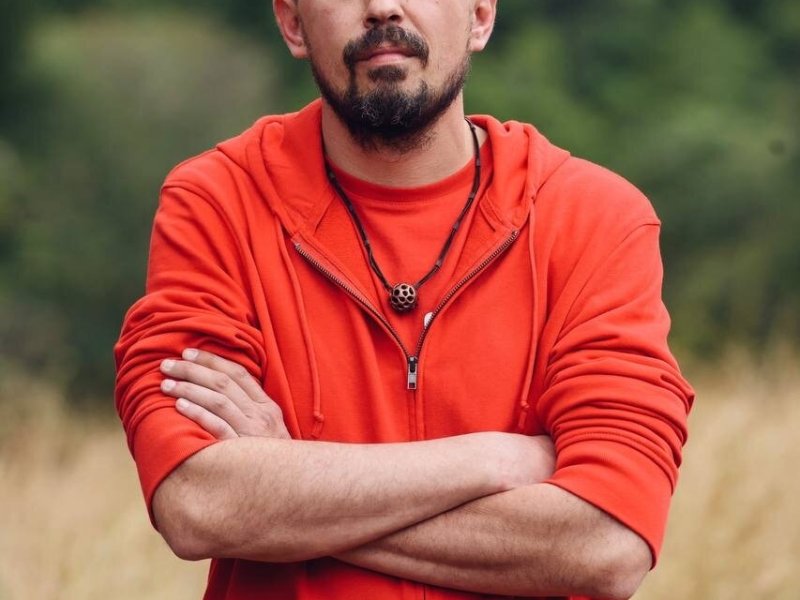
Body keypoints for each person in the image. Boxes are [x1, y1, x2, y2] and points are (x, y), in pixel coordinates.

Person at [114, 1, 694, 599]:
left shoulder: (596, 220)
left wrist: (288, 489)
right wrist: (491, 460)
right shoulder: (217, 204)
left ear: (480, 16)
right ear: (292, 23)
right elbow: (198, 502)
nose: (383, 7)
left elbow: (607, 543)